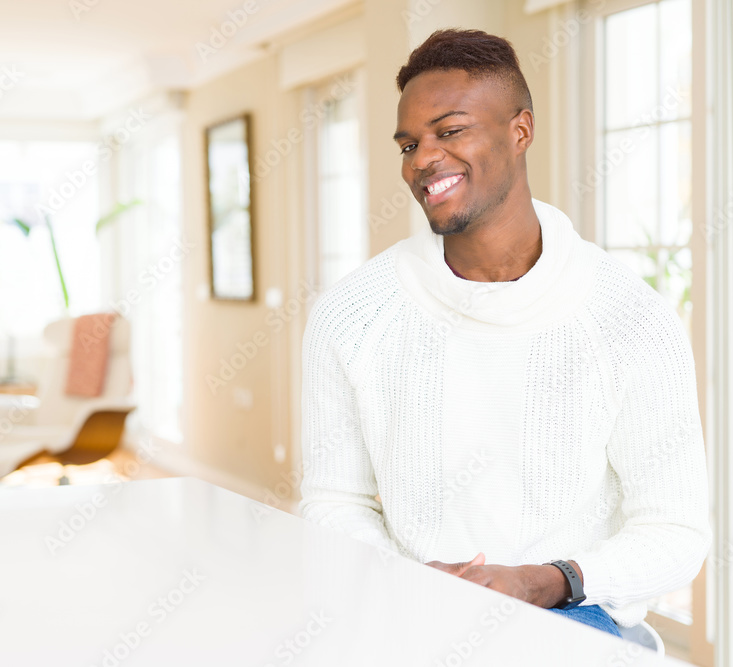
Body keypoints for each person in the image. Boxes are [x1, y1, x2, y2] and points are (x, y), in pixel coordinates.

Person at [298, 28, 710, 638]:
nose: (422, 159)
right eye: (409, 143)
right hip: (411, 604)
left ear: (521, 131)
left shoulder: (632, 318)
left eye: (450, 130)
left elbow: (675, 533)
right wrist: (408, 579)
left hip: (575, 611)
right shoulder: (351, 316)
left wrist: (544, 580)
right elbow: (333, 502)